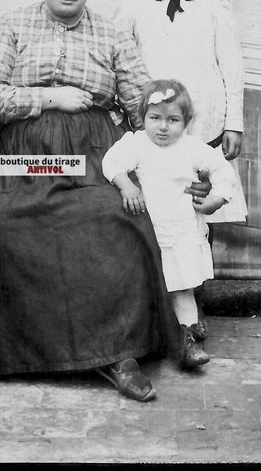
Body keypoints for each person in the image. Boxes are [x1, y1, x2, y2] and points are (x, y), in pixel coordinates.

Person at [0, 0, 210, 403]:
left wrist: (179, 155)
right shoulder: (11, 25)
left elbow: (144, 103)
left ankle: (120, 354)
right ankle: (31, 352)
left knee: (120, 222)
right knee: (9, 224)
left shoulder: (111, 33)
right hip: (21, 157)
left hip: (95, 153)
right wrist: (47, 98)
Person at [114, 0, 248, 337]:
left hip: (202, 126)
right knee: (156, 214)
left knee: (197, 213)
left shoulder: (213, 6)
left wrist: (233, 122)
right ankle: (158, 304)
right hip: (154, 131)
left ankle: (193, 302)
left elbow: (231, 65)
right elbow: (121, 63)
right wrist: (126, 118)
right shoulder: (134, 8)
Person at [102, 79, 238, 369]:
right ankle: (147, 340)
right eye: (155, 118)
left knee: (182, 289)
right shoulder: (137, 143)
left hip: (182, 232)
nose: (163, 127)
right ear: (143, 119)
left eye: (173, 120)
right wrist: (126, 185)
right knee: (146, 289)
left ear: (186, 122)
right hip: (150, 233)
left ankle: (188, 343)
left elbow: (223, 171)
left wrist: (216, 199)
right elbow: (111, 162)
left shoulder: (193, 148)